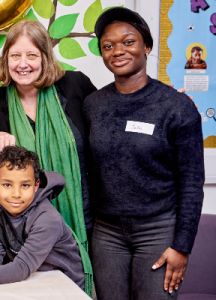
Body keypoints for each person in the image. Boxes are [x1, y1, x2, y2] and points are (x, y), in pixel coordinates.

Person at [86, 7, 204, 300]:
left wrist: (182, 246)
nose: (118, 51)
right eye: (108, 46)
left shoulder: (176, 107)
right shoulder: (93, 105)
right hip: (106, 235)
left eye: (129, 42)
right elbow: (87, 171)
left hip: (158, 231)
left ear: (147, 46)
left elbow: (191, 183)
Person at [0, 19, 94, 258]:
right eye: (15, 56)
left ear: (45, 57)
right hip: (25, 231)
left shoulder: (75, 86)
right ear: (6, 59)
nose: (23, 64)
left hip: (84, 218)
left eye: (31, 55)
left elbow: (111, 119)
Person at [0, 146, 84, 290]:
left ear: (36, 186)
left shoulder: (48, 219)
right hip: (30, 280)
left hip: (63, 285)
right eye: (7, 185)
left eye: (25, 185)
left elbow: (22, 267)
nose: (16, 194)